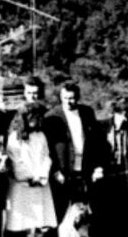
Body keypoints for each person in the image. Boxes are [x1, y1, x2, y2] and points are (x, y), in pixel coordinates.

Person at [43, 83, 106, 227]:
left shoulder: (87, 112)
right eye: (65, 98)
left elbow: (97, 142)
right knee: (62, 207)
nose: (68, 102)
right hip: (63, 169)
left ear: (77, 97)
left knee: (84, 207)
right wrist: (55, 170)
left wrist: (98, 166)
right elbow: (48, 148)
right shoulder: (51, 116)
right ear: (60, 97)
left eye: (71, 98)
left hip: (85, 167)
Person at [5, 103, 57, 237]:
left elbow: (46, 157)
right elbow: (16, 160)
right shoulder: (15, 137)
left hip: (40, 183)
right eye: (31, 117)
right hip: (22, 185)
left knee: (38, 219)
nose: (35, 120)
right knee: (21, 219)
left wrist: (41, 176)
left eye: (38, 117)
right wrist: (28, 177)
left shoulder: (41, 136)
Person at [96, 97, 128, 237]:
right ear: (116, 112)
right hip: (107, 173)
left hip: (126, 173)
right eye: (124, 115)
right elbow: (94, 151)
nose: (127, 119)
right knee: (109, 207)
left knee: (127, 207)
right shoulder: (101, 127)